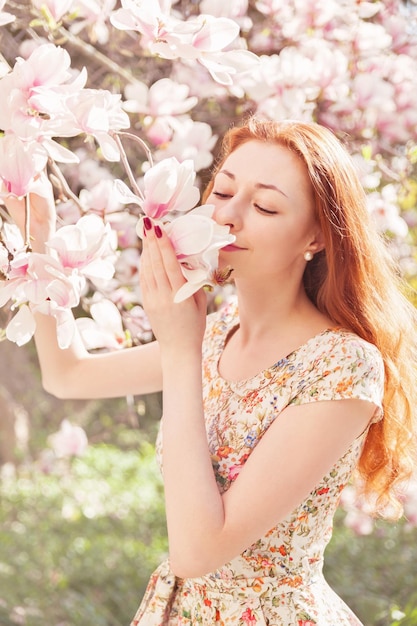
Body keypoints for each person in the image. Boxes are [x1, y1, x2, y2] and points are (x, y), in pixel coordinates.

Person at [4, 117, 417, 625]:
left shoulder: (342, 366)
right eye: (222, 191)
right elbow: (66, 375)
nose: (228, 216)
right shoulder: (219, 331)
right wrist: (38, 238)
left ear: (315, 237)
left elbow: (199, 552)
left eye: (264, 205)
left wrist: (180, 349)